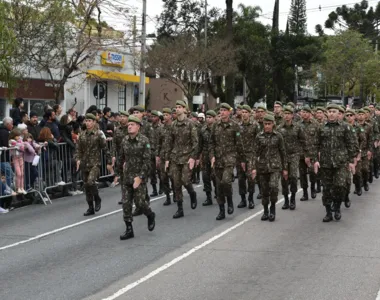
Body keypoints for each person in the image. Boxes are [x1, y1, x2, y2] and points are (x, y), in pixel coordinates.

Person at [314, 104, 358, 222]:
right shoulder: (321, 127)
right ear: (326, 113)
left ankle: (337, 207)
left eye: (334, 111)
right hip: (326, 163)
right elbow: (315, 145)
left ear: (338, 113)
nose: (332, 113)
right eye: (330, 111)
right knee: (327, 189)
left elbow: (352, 144)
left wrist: (351, 161)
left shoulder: (345, 127)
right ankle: (328, 212)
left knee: (340, 186)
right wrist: (315, 160)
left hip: (341, 163)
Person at [119, 115, 156, 240]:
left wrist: (140, 177)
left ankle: (150, 215)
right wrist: (118, 174)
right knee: (126, 203)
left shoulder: (144, 141)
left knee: (140, 203)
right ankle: (129, 229)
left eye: (132, 124)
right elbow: (121, 158)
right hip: (127, 176)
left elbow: (147, 161)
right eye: (129, 124)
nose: (129, 126)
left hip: (139, 176)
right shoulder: (124, 140)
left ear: (138, 127)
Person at [210, 103, 245, 220]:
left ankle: (229, 200)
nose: (222, 112)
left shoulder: (235, 126)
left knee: (226, 181)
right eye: (221, 110)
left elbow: (239, 143)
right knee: (219, 186)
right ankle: (221, 210)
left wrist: (241, 159)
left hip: (230, 158)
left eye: (225, 110)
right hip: (218, 159)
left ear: (229, 112)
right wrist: (212, 156)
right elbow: (211, 143)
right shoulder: (215, 126)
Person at [251, 113, 288, 222]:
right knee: (264, 190)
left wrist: (285, 168)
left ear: (273, 124)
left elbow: (283, 152)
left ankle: (272, 207)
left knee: (274, 187)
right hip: (262, 167)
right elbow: (254, 153)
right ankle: (265, 210)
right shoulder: (259, 136)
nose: (267, 126)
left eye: (269, 124)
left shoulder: (278, 136)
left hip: (275, 167)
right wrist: (253, 167)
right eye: (265, 124)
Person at [165, 100, 198, 219]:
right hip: (175, 157)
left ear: (185, 109)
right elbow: (169, 143)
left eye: (180, 107)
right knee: (176, 183)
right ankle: (180, 208)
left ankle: (192, 193)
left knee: (185, 180)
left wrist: (193, 157)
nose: (177, 109)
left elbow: (195, 142)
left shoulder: (190, 124)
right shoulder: (173, 125)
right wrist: (167, 159)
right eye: (176, 107)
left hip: (186, 157)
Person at [75, 113, 112, 216]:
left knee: (91, 182)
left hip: (95, 163)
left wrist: (109, 161)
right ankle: (90, 207)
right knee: (86, 186)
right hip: (84, 164)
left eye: (90, 121)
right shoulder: (82, 135)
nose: (87, 123)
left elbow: (105, 149)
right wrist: (77, 159)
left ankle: (97, 198)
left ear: (94, 122)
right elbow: (78, 150)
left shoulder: (98, 134)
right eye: (86, 121)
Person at [198, 110, 217, 206]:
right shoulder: (203, 129)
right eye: (207, 117)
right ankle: (208, 197)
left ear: (214, 118)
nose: (209, 119)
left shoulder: (218, 128)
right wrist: (198, 157)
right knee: (205, 177)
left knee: (215, 176)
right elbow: (200, 144)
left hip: (215, 156)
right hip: (205, 156)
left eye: (210, 117)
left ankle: (218, 194)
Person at [111, 111, 130, 205]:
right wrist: (113, 155)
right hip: (120, 157)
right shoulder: (117, 129)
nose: (122, 118)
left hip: (130, 157)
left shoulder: (131, 128)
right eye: (121, 116)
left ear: (128, 118)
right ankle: (124, 196)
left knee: (131, 177)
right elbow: (114, 143)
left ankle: (134, 195)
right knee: (123, 178)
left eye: (124, 116)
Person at [8, 128, 26, 194]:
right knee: (18, 173)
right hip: (15, 158)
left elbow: (22, 147)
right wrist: (21, 144)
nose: (18, 137)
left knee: (22, 173)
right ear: (13, 135)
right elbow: (19, 146)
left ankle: (22, 187)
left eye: (19, 135)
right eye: (17, 136)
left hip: (21, 157)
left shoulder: (19, 140)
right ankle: (18, 187)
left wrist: (21, 144)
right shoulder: (11, 141)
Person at [0, 117, 14, 193]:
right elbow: (5, 144)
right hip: (3, 158)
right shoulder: (4, 132)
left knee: (6, 175)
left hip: (3, 157)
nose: (12, 125)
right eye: (11, 124)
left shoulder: (3, 131)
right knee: (9, 174)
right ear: (8, 124)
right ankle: (6, 191)